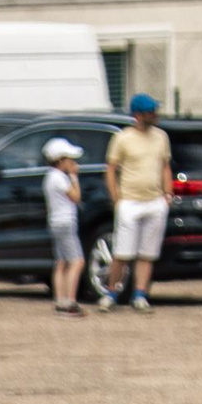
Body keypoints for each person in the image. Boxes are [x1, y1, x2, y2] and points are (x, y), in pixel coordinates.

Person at [104, 92, 172, 309]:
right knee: (123, 252)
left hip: (155, 201)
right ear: (139, 114)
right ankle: (112, 292)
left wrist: (167, 194)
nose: (155, 114)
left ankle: (140, 294)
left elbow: (165, 166)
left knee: (147, 253)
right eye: (151, 111)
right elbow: (111, 169)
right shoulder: (123, 138)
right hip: (130, 202)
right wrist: (117, 199)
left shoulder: (161, 137)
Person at [42, 138, 94, 315]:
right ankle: (70, 302)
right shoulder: (60, 178)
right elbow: (76, 197)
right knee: (77, 261)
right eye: (69, 160)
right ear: (60, 160)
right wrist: (74, 177)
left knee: (61, 262)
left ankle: (59, 300)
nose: (72, 163)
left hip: (55, 222)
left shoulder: (49, 177)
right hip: (66, 222)